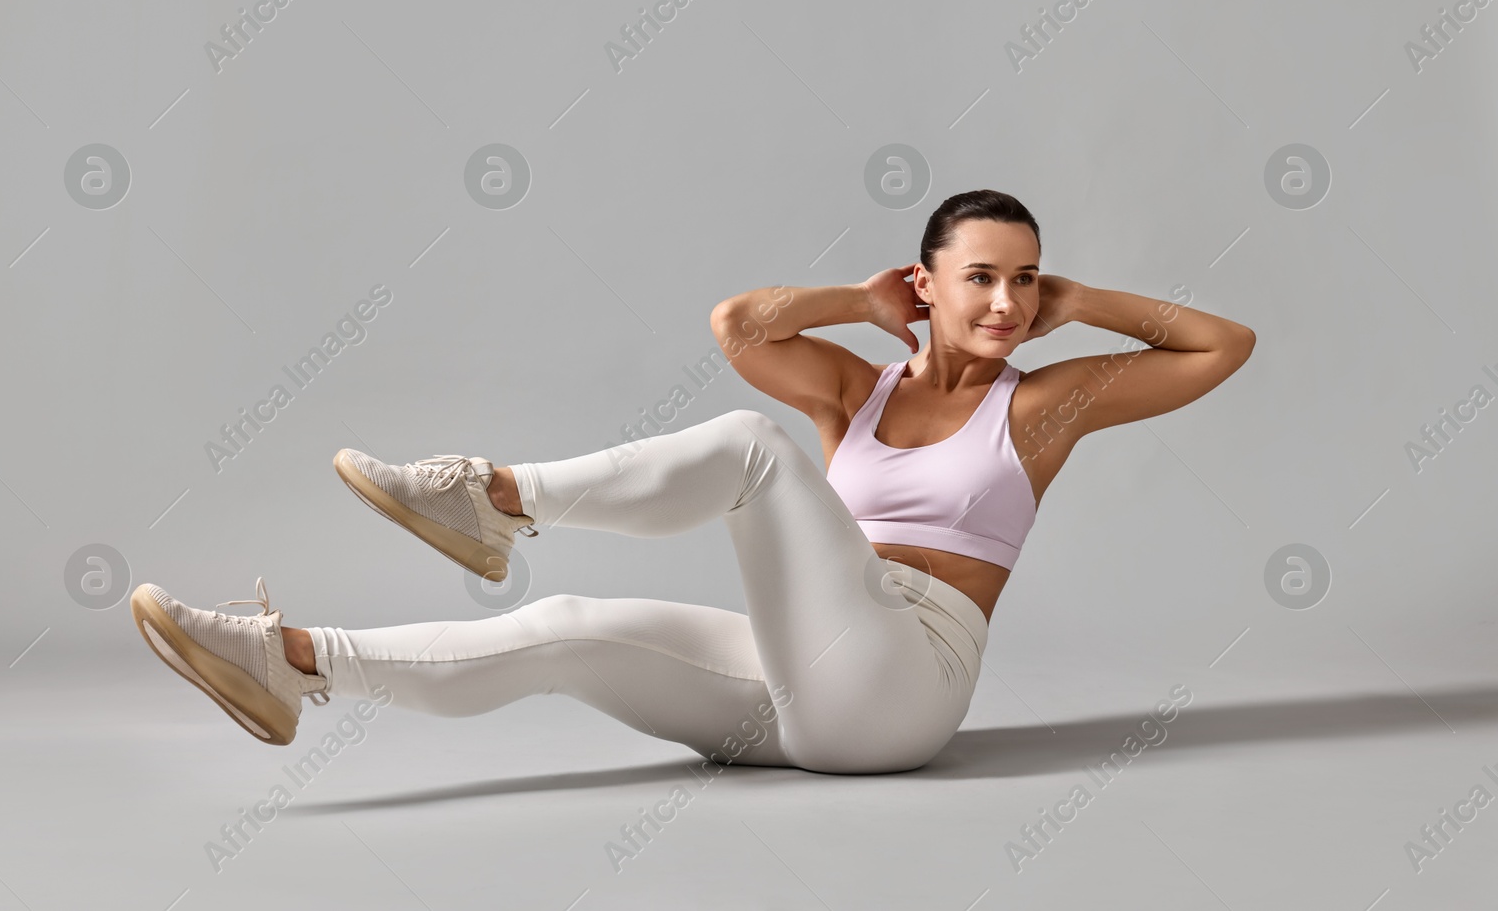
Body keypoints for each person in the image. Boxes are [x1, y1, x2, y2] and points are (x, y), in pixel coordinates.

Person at [129, 190, 1255, 774]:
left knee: (747, 452)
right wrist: (857, 304)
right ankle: (287, 663)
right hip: (809, 682)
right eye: (981, 279)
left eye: (1022, 282)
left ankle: (497, 499)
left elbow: (1220, 348)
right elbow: (738, 326)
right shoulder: (853, 388)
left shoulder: (1038, 404)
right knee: (565, 624)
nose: (1005, 304)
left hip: (907, 683)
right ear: (927, 282)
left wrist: (1081, 298)